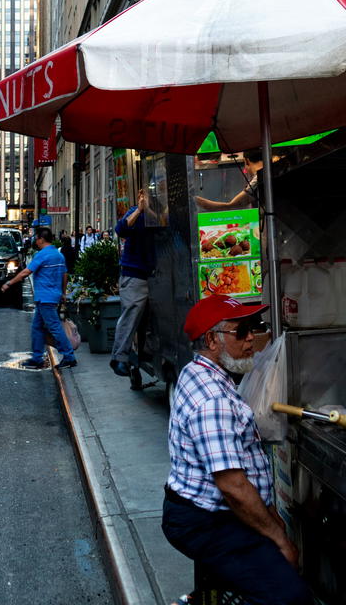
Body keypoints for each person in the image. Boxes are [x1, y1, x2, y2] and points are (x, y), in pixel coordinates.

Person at [162, 295, 314, 605]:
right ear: (211, 340)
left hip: (207, 512)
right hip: (204, 520)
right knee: (289, 597)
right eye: (241, 331)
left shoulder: (201, 372)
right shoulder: (213, 401)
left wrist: (271, 518)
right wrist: (278, 537)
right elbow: (232, 486)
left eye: (254, 328)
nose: (251, 340)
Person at [2, 226, 77, 370]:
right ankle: (37, 357)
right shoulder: (58, 254)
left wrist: (9, 283)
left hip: (45, 297)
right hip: (52, 295)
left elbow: (26, 272)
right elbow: (65, 275)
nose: (35, 241)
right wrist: (63, 293)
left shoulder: (42, 255)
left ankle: (68, 356)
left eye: (36, 238)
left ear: (41, 239)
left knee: (54, 327)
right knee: (37, 327)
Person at [110, 188, 156, 389]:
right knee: (132, 313)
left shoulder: (158, 216)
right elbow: (120, 229)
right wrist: (139, 210)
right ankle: (119, 357)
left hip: (155, 274)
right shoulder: (133, 213)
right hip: (134, 274)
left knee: (147, 321)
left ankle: (142, 356)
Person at [197, 149, 262, 210]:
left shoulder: (257, 179)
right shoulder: (266, 173)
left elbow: (231, 205)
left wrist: (195, 200)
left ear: (246, 161)